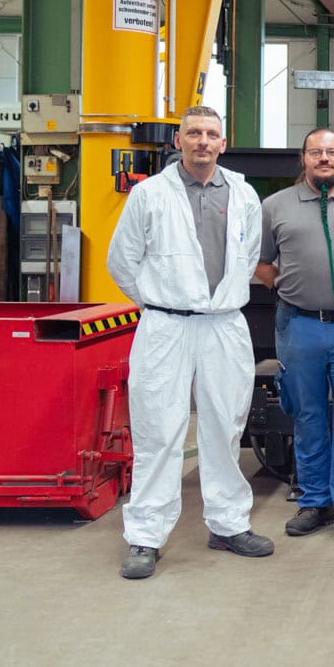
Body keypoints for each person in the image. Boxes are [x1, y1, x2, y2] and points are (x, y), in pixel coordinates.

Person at [106, 105, 273, 579]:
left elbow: (247, 258)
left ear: (223, 143)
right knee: (159, 429)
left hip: (224, 323)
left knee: (226, 424)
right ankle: (145, 536)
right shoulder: (149, 194)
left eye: (211, 134)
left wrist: (211, 300)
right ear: (178, 141)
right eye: (194, 133)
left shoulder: (242, 194)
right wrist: (162, 300)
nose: (203, 141)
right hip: (166, 325)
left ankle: (228, 524)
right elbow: (122, 261)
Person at [257, 128, 334, 550]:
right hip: (298, 325)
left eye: (332, 152)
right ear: (304, 158)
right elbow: (261, 262)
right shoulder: (275, 207)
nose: (324, 158)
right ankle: (315, 503)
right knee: (307, 417)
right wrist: (290, 287)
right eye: (316, 152)